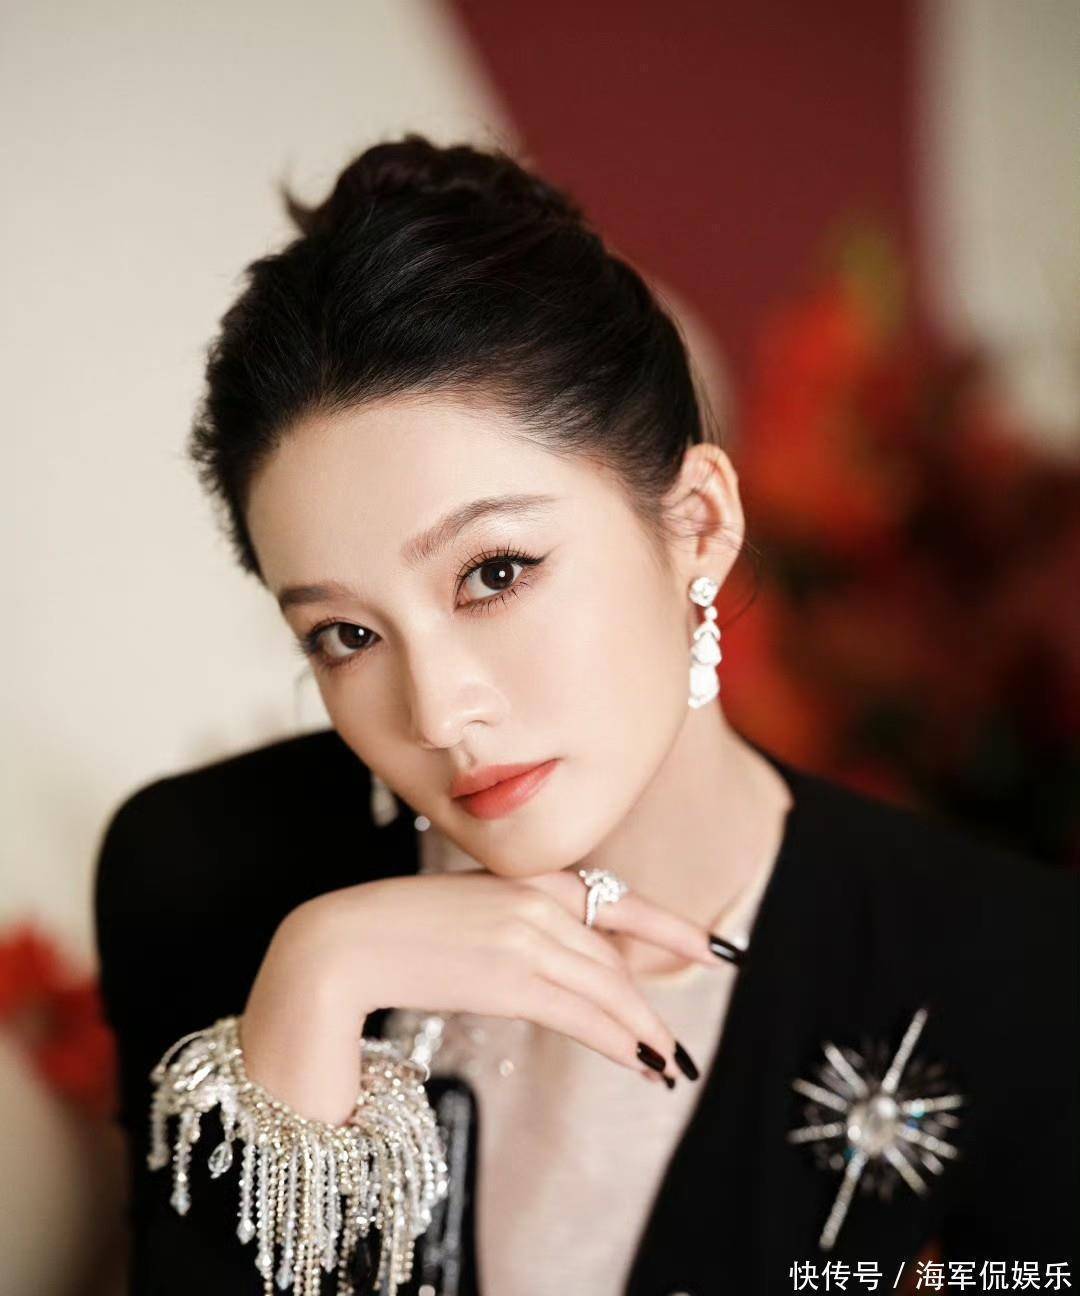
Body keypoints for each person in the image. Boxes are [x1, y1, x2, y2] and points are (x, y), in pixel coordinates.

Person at [93, 134, 1078, 1296]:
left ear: (698, 521)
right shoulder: (206, 881)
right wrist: (310, 1002)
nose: (440, 711)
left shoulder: (1018, 976)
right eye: (346, 636)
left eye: (495, 573)